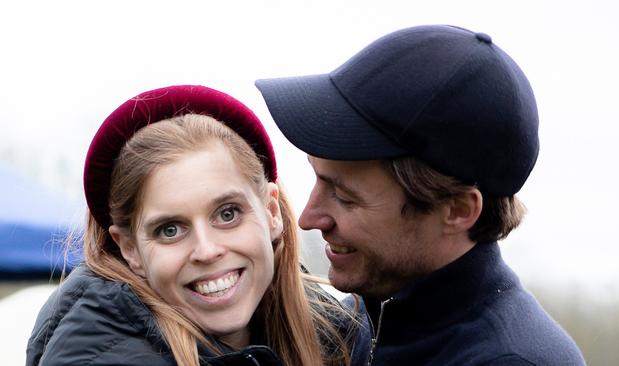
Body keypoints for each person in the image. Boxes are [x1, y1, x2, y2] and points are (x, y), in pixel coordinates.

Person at [255, 25, 586, 365]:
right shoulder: (364, 320)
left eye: (345, 196)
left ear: (456, 210)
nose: (308, 218)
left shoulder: (507, 359)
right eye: (318, 178)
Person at [26, 85, 360, 366]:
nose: (207, 250)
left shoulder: (342, 334)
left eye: (227, 214)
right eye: (170, 230)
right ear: (130, 249)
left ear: (271, 211)